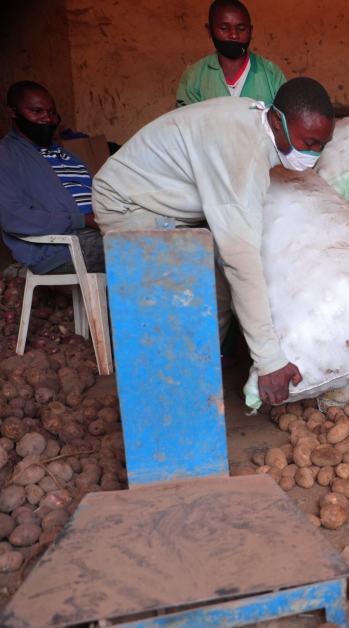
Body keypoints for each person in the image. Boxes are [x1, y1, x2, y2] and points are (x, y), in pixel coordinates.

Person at [93, 77, 334, 404]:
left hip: (167, 206)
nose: (313, 154)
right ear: (278, 121)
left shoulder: (255, 120)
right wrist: (269, 360)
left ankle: (193, 375)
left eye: (322, 145)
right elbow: (241, 261)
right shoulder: (243, 156)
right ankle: (166, 394)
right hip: (127, 204)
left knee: (218, 293)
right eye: (308, 141)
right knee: (178, 300)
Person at [0, 81, 104, 276]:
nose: (47, 118)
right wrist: (81, 220)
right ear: (13, 112)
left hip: (97, 233)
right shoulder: (0, 158)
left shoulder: (69, 156)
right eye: (36, 111)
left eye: (52, 112)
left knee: (157, 237)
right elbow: (14, 217)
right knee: (137, 250)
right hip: (59, 249)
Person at [176, 0, 287, 108]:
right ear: (209, 30)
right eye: (224, 28)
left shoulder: (271, 73)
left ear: (251, 31)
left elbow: (284, 119)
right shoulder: (194, 77)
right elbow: (185, 122)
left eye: (242, 29)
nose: (234, 35)